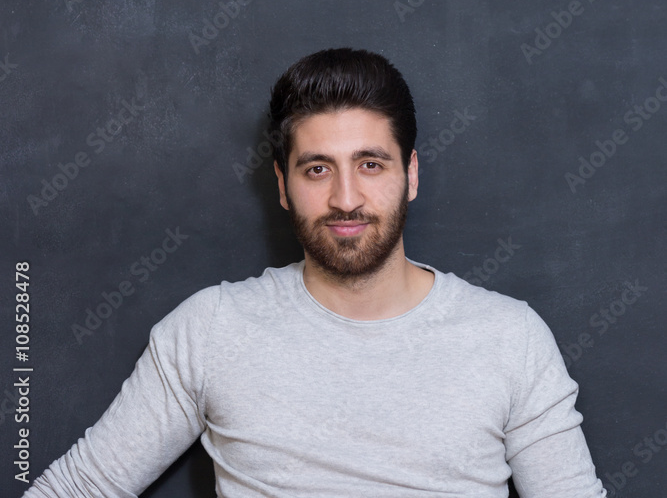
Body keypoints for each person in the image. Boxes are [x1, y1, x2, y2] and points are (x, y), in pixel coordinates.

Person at [23, 47, 607, 498]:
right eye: (317, 169)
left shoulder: (510, 338)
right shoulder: (210, 329)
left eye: (370, 165)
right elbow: (80, 487)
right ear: (281, 185)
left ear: (412, 174)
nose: (345, 198)